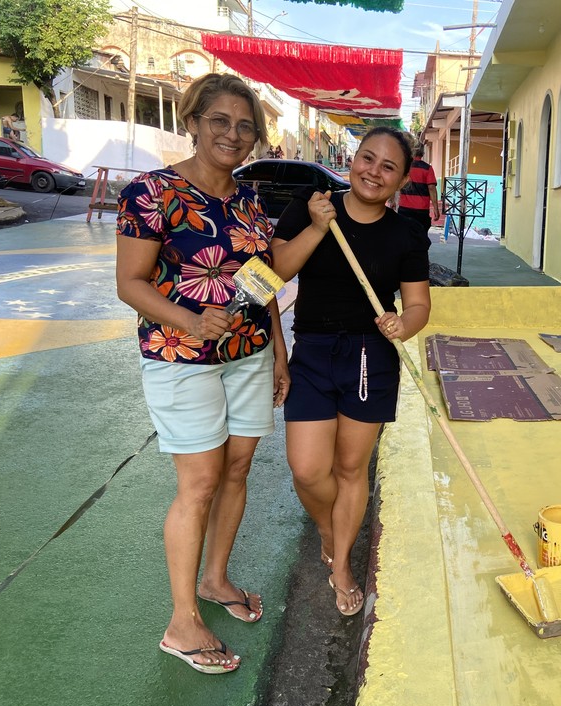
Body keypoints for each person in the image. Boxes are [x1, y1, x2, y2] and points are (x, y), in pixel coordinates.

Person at [115, 73, 290, 674]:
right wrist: (190, 320)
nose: (233, 134)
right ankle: (181, 620)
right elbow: (130, 284)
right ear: (192, 122)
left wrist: (279, 354)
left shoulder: (250, 201)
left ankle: (215, 579)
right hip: (179, 358)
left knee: (237, 469)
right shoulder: (150, 193)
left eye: (245, 126)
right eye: (219, 121)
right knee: (199, 483)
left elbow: (263, 282)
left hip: (250, 354)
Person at [270, 126, 431, 617]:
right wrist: (318, 227)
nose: (374, 171)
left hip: (370, 357)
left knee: (349, 469)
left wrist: (403, 323)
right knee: (307, 469)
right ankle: (329, 529)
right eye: (368, 158)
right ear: (353, 159)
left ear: (402, 180)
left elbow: (420, 304)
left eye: (388, 167)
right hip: (314, 349)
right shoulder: (312, 205)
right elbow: (274, 273)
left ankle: (340, 564)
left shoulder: (406, 234)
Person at [396, 142, 440, 237]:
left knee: (403, 236)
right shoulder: (427, 168)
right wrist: (436, 209)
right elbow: (431, 187)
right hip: (421, 210)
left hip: (404, 209)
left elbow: (396, 184)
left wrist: (392, 201)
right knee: (420, 238)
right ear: (423, 153)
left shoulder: (404, 167)